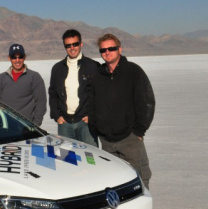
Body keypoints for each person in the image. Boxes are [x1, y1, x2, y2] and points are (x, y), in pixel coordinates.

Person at [89, 33, 155, 188]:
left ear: (120, 49)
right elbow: (92, 103)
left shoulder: (133, 71)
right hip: (106, 141)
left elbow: (147, 102)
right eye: (103, 50)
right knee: (114, 180)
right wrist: (96, 127)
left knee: (139, 178)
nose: (107, 52)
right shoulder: (98, 75)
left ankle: (141, 207)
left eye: (111, 48)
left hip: (129, 139)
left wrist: (139, 130)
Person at [48, 29, 100, 146]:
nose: (72, 48)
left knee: (90, 159)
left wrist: (92, 115)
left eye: (75, 44)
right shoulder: (57, 68)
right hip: (65, 123)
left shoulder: (93, 66)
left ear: (81, 44)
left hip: (86, 123)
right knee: (68, 158)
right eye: (68, 45)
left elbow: (100, 94)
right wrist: (56, 115)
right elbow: (53, 93)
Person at [0, 44, 47, 126]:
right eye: (14, 57)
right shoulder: (1, 78)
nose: (17, 60)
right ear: (9, 58)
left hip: (28, 126)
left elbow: (41, 102)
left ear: (24, 57)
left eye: (20, 56)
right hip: (7, 124)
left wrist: (35, 124)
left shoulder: (34, 77)